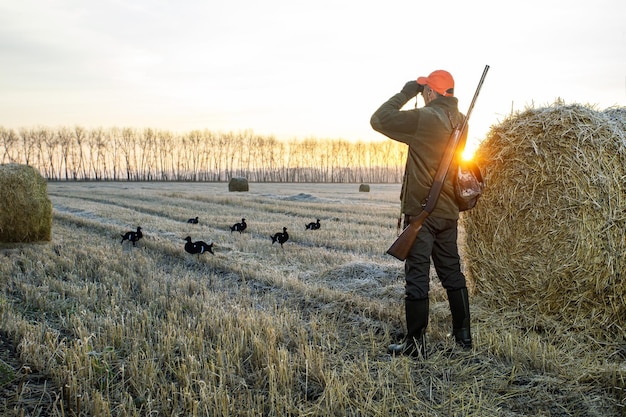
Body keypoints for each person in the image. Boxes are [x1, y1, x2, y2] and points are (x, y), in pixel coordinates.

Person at [370, 69, 472, 358]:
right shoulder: (461, 121)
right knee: (452, 272)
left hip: (422, 214)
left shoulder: (425, 118)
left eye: (425, 90)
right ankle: (464, 338)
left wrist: (407, 92)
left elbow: (379, 119)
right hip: (448, 211)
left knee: (417, 277)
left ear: (430, 92)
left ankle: (414, 345)